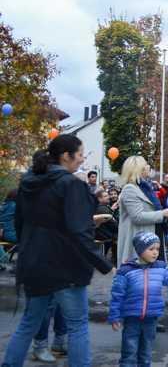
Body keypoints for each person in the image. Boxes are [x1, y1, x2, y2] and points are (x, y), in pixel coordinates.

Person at [2, 135, 113, 367]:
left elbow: (20, 225)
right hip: (65, 267)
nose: (82, 160)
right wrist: (104, 264)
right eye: (81, 154)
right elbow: (79, 231)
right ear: (66, 155)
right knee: (78, 326)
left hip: (34, 264)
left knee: (28, 324)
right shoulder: (71, 185)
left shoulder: (28, 183)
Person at [109, 232, 168, 365]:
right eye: (151, 249)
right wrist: (114, 316)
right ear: (140, 250)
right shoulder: (126, 271)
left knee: (146, 352)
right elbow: (117, 295)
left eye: (157, 249)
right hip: (132, 318)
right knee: (129, 352)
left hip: (151, 318)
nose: (155, 253)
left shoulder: (160, 267)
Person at [116, 156, 168, 265]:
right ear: (138, 169)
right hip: (140, 241)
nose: (148, 167)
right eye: (145, 165)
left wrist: (165, 214)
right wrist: (162, 213)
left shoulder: (145, 188)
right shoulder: (130, 189)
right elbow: (137, 217)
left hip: (151, 238)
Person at [0, 189, 17, 267]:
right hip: (10, 234)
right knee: (29, 239)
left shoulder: (4, 205)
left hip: (2, 233)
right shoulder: (15, 206)